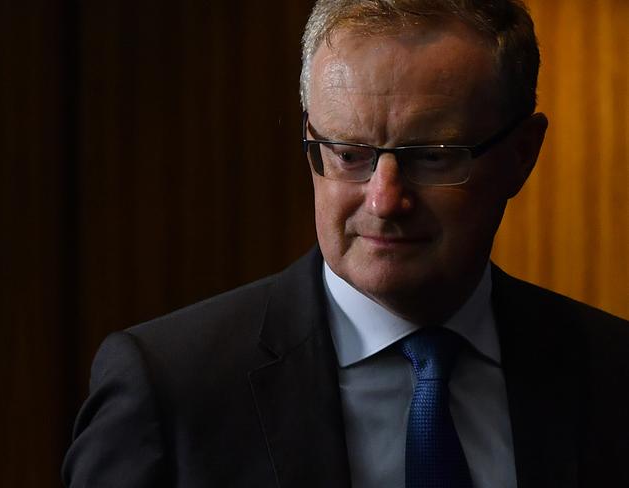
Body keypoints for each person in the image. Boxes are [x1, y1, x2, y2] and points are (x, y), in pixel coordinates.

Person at [62, 1, 629, 487]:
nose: (384, 200)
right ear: (312, 136)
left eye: (432, 156)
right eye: (348, 154)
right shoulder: (169, 392)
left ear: (521, 155)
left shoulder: (610, 375)